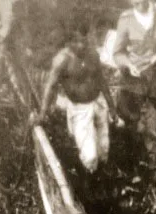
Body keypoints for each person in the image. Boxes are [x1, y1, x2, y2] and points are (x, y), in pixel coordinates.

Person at [33, 23, 118, 175]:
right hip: (79, 108)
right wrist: (42, 113)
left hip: (98, 102)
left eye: (83, 41)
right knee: (89, 155)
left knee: (104, 148)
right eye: (76, 42)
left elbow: (101, 80)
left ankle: (103, 176)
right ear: (69, 43)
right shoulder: (62, 60)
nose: (80, 46)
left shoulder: (93, 55)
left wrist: (112, 108)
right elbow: (50, 87)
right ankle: (89, 176)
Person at [112, 0, 156, 169]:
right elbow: (118, 53)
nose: (137, 2)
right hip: (136, 82)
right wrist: (129, 65)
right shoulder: (126, 19)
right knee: (147, 124)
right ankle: (152, 164)